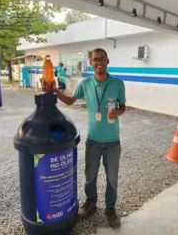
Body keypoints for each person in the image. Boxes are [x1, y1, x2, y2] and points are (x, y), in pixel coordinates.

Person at [53, 48, 126, 229]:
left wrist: (119, 111)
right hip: (92, 140)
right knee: (90, 176)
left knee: (112, 179)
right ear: (91, 63)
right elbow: (70, 100)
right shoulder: (85, 83)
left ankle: (110, 208)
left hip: (112, 141)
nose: (99, 62)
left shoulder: (118, 83)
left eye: (102, 58)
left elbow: (123, 105)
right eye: (95, 59)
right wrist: (54, 91)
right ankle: (91, 203)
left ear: (107, 61)